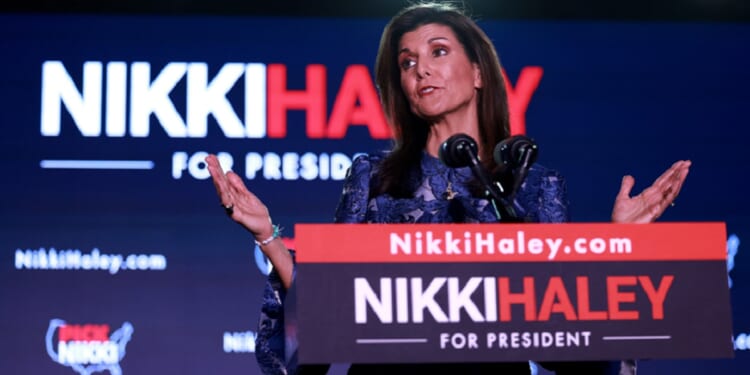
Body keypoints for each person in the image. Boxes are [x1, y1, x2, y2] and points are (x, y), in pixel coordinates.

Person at [206, 3, 690, 374]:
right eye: (407, 61)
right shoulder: (374, 178)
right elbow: (323, 314)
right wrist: (267, 235)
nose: (420, 69)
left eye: (438, 51)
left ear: (479, 72)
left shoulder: (533, 184)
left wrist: (618, 245)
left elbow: (565, 339)